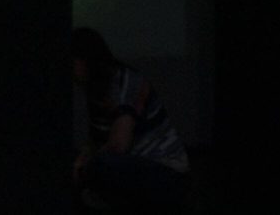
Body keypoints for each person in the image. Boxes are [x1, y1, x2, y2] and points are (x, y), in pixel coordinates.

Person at [71, 26, 190, 212]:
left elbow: (119, 144)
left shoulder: (125, 82)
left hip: (165, 174)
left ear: (86, 60)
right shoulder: (96, 91)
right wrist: (81, 161)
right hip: (138, 170)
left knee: (101, 165)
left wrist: (86, 165)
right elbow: (95, 139)